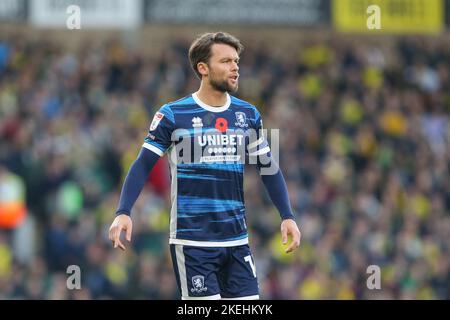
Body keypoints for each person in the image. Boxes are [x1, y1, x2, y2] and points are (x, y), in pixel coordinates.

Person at [109, 32, 301, 300]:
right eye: (225, 61)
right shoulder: (173, 114)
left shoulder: (247, 114)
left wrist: (287, 215)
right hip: (193, 242)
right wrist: (123, 211)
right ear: (203, 68)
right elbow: (142, 165)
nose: (235, 67)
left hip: (236, 241)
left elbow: (268, 167)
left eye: (236, 61)